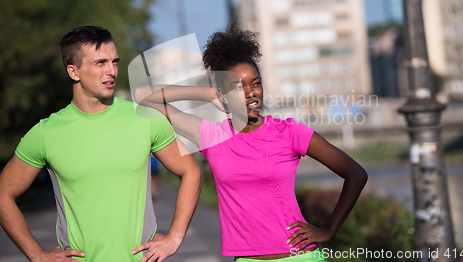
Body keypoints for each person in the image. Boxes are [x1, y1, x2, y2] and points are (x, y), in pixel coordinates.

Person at [134, 24, 368, 261]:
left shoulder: (289, 132)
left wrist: (328, 230)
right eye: (238, 86)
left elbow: (355, 174)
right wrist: (205, 94)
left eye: (255, 83)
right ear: (222, 94)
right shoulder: (212, 136)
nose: (250, 93)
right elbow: (142, 96)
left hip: (299, 257)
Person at [0, 26, 202, 262]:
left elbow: (191, 171)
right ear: (73, 72)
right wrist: (37, 254)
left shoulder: (146, 118)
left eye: (114, 62)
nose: (112, 71)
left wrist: (174, 237)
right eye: (100, 63)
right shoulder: (46, 133)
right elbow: (3, 194)